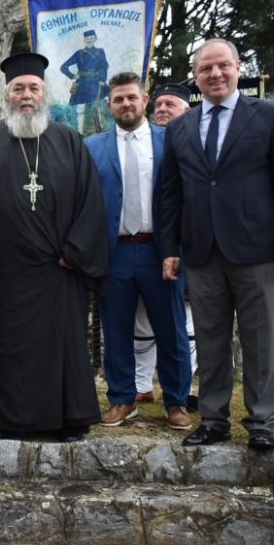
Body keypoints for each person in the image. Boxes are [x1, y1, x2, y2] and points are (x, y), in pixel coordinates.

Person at [158, 38, 274, 451]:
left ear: (239, 68)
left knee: (260, 340)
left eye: (223, 65)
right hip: (202, 251)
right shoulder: (181, 127)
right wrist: (169, 248)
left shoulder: (270, 116)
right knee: (209, 340)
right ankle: (213, 418)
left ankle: (261, 421)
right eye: (206, 68)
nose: (215, 74)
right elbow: (169, 193)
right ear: (196, 76)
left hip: (257, 250)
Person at [0, 52, 109, 442]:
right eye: (18, 88)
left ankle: (67, 420)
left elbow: (90, 202)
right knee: (4, 350)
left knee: (62, 348)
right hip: (3, 274)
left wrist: (74, 252)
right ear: (7, 94)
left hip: (57, 269)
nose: (25, 95)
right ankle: (2, 420)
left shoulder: (68, 140)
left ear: (45, 93)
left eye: (33, 88)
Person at [86, 72, 193, 430]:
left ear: (145, 100)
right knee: (115, 329)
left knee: (171, 328)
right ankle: (121, 399)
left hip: (160, 250)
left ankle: (176, 401)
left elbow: (182, 197)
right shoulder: (93, 146)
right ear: (109, 105)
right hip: (115, 251)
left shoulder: (170, 141)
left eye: (132, 97)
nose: (126, 104)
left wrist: (175, 246)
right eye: (118, 99)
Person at [135, 81, 196, 402]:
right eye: (158, 105)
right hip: (140, 246)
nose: (162, 110)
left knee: (184, 325)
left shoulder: (193, 141)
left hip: (183, 247)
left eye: (170, 105)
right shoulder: (144, 141)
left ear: (187, 110)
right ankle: (142, 386)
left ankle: (187, 388)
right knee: (141, 321)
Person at [59, 30, 109, 135]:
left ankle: (100, 132)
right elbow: (63, 67)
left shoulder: (100, 52)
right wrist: (72, 76)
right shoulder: (79, 53)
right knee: (80, 108)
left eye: (91, 38)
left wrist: (102, 80)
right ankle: (80, 134)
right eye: (87, 39)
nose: (89, 40)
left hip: (96, 82)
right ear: (84, 40)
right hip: (82, 83)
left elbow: (104, 66)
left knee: (98, 106)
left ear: (95, 38)